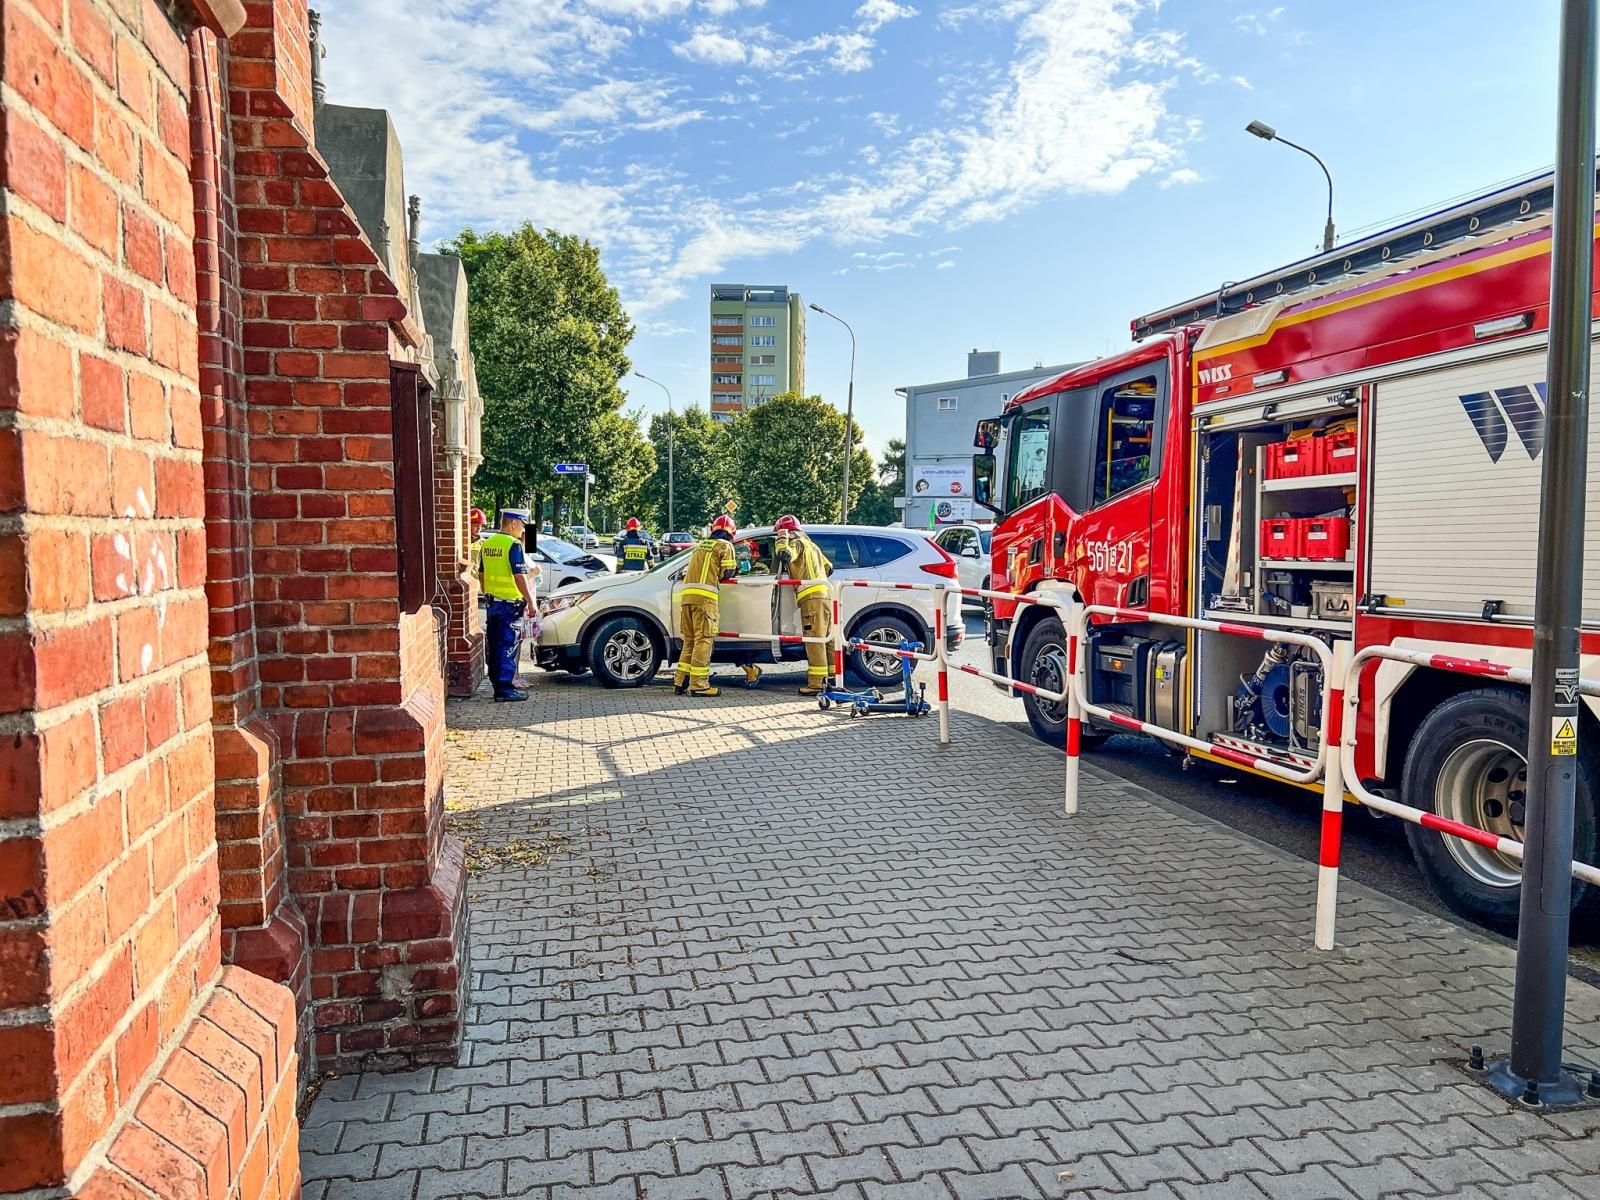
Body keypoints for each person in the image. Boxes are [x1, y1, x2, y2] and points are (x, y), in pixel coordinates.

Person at [674, 514, 738, 697]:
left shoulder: (700, 546)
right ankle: (699, 685)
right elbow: (728, 572)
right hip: (706, 600)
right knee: (704, 640)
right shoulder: (725, 546)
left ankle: (680, 681)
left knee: (690, 641)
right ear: (731, 533)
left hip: (687, 598)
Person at [479, 508, 537, 702]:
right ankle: (505, 690)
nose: (523, 531)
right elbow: (519, 576)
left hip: (492, 603)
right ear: (513, 523)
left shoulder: (488, 543)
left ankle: (497, 685)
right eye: (522, 525)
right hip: (510, 605)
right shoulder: (513, 545)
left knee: (495, 645)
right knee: (508, 646)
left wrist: (490, 591)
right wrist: (530, 602)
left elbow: (481, 574)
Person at [773, 515, 834, 695]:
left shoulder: (796, 544)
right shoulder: (812, 546)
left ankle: (816, 684)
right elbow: (829, 567)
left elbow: (784, 555)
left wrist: (782, 538)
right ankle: (832, 679)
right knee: (827, 639)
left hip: (811, 598)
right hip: (825, 595)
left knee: (814, 640)